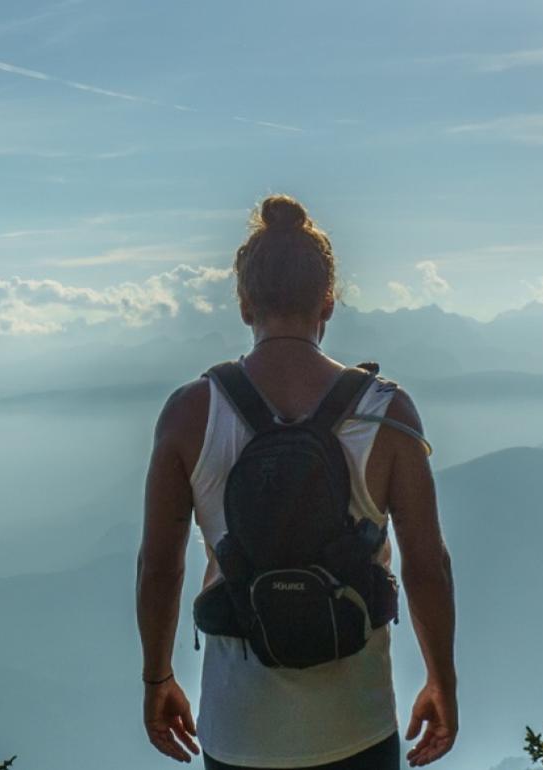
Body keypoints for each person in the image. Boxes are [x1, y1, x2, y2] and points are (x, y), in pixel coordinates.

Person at [136, 194, 457, 769]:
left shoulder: (189, 413)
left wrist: (157, 677)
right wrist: (442, 681)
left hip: (238, 730)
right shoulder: (386, 413)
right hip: (356, 722)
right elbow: (427, 563)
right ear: (328, 302)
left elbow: (159, 566)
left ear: (243, 302)